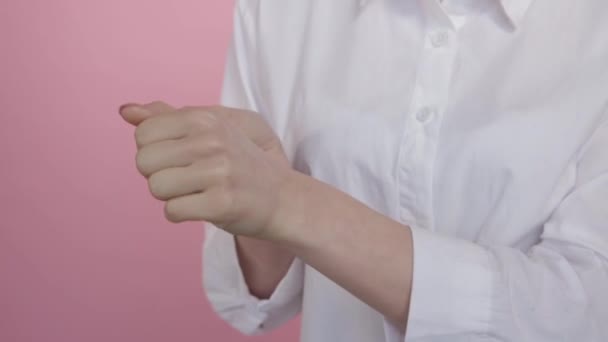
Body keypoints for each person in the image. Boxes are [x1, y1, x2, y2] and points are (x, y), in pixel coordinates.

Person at [118, 0, 608, 341]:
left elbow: (585, 313)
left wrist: (290, 203)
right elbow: (251, 304)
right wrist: (253, 203)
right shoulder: (283, 10)